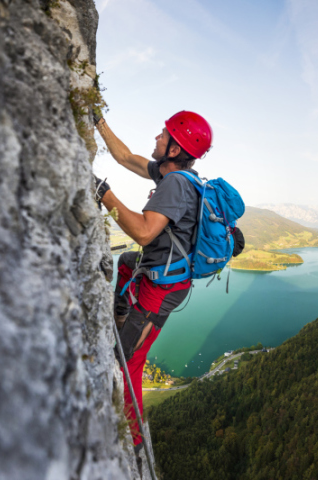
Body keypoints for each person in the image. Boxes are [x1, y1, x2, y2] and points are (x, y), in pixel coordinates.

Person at [93, 110, 212, 454]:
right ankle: (119, 316)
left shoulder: (175, 184)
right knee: (128, 261)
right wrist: (98, 121)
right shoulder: (169, 174)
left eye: (163, 135)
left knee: (127, 359)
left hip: (162, 290)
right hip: (159, 274)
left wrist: (105, 194)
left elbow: (144, 233)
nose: (157, 138)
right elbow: (125, 156)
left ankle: (133, 441)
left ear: (174, 149)